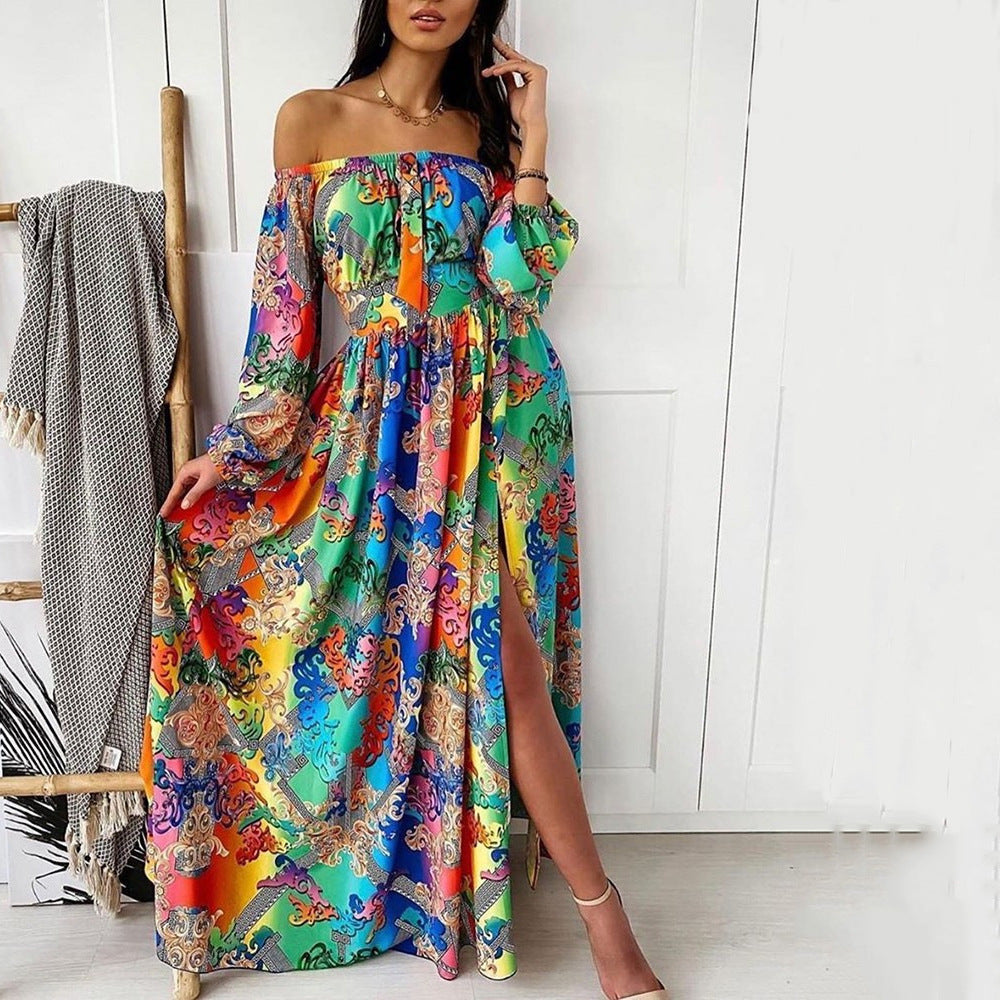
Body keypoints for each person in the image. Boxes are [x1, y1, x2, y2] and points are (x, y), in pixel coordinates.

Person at [141, 2, 667, 998]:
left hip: (501, 416)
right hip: (377, 429)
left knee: (504, 657)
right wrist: (235, 448)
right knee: (413, 656)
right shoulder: (311, 119)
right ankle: (451, 894)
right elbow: (286, 317)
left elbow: (517, 284)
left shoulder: (484, 128)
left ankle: (606, 923)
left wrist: (535, 139)